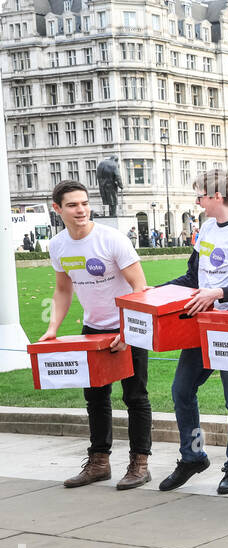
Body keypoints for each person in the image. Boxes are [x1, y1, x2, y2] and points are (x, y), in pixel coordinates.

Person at [38, 181, 152, 490]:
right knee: (96, 398)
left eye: (85, 203)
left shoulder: (112, 239)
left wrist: (128, 331)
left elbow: (140, 289)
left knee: (135, 396)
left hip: (128, 327)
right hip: (93, 329)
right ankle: (99, 461)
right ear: (57, 209)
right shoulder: (58, 245)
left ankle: (140, 463)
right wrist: (52, 330)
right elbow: (63, 290)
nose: (81, 210)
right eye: (73, 205)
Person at [157, 169, 228, 495]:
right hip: (199, 326)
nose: (197, 199)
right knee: (182, 390)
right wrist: (153, 291)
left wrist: (217, 296)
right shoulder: (205, 228)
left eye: (200, 194)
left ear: (216, 196)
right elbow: (192, 278)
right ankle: (193, 455)